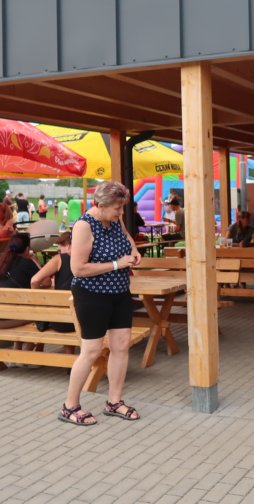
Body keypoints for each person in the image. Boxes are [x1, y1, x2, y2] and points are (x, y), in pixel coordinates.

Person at [58, 181, 141, 426]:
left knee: (121, 346)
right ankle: (70, 406)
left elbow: (127, 238)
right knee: (91, 351)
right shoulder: (84, 225)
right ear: (101, 205)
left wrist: (134, 251)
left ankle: (114, 401)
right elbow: (78, 269)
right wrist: (117, 264)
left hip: (120, 292)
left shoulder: (115, 219)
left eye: (122, 207)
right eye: (117, 208)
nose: (121, 213)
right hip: (92, 295)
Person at [31, 232, 76, 334]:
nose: (59, 252)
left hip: (61, 321)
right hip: (84, 319)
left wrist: (38, 300)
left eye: (59, 249)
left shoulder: (59, 259)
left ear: (68, 245)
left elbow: (34, 280)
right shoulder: (89, 258)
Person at [0, 233, 40, 329]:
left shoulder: (2, 260)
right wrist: (35, 260)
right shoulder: (27, 263)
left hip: (3, 317)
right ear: (27, 249)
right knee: (40, 314)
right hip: (14, 316)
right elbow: (46, 282)